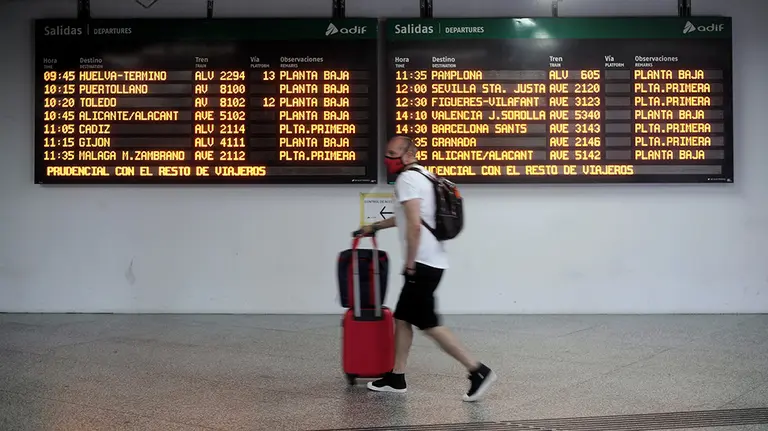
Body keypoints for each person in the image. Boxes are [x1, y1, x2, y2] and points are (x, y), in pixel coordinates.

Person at [357, 135, 497, 402]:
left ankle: (477, 370)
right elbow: (409, 217)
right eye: (387, 153)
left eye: (393, 153)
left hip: (421, 264)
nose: (389, 159)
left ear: (409, 155)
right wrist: (374, 226)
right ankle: (396, 377)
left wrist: (409, 263)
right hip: (433, 261)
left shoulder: (407, 180)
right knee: (403, 318)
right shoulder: (425, 177)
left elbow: (414, 225)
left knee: (429, 324)